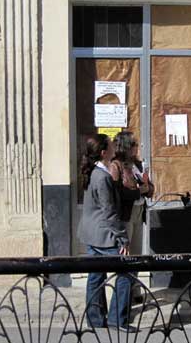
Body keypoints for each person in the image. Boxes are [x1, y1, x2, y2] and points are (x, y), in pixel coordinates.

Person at [77, 134, 135, 332]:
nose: (114, 148)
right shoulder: (101, 177)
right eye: (111, 146)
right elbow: (108, 213)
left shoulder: (93, 171)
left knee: (95, 276)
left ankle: (94, 319)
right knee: (127, 272)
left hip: (91, 233)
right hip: (104, 236)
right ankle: (117, 319)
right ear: (103, 153)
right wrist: (123, 239)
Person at [109, 131, 154, 257]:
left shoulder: (137, 164)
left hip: (139, 210)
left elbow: (149, 186)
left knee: (137, 252)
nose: (137, 146)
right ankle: (125, 277)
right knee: (126, 254)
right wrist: (139, 191)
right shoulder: (116, 166)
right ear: (126, 146)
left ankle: (133, 276)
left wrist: (148, 188)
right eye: (134, 144)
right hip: (126, 213)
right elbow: (118, 194)